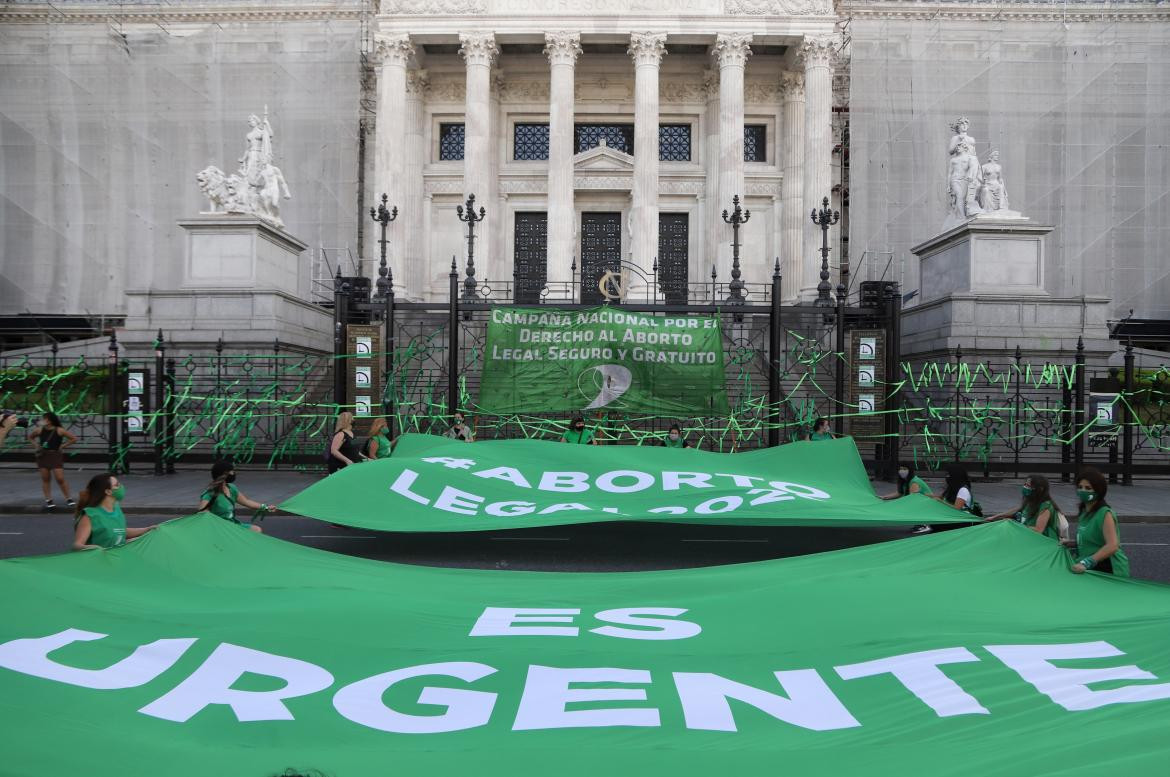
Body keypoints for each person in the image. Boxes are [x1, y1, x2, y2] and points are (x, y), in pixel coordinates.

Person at [1071, 467, 1130, 576]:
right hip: (1092, 566)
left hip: (1108, 568)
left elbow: (1112, 545)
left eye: (1088, 488)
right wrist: (1072, 543)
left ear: (1098, 491)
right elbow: (1094, 540)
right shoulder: (1084, 512)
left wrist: (1086, 562)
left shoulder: (1105, 513)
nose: (1083, 490)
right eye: (1080, 487)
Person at [72, 473, 155, 550]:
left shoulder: (116, 508)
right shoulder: (90, 515)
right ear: (108, 492)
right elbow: (77, 545)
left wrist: (146, 530)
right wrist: (95, 549)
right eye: (117, 485)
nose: (121, 487)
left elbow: (119, 531)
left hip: (116, 561)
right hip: (97, 562)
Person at [197, 461, 274, 533]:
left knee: (256, 530)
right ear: (225, 474)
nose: (234, 473)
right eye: (232, 471)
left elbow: (247, 502)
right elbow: (202, 513)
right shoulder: (210, 494)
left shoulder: (231, 488)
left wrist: (266, 507)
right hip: (220, 529)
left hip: (232, 524)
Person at [989, 474, 1062, 541]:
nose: (1025, 487)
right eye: (1025, 485)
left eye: (1028, 486)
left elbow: (1038, 530)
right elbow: (1018, 509)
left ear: (1040, 489)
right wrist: (995, 517)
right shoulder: (1030, 500)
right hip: (1026, 535)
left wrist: (1015, 524)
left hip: (1040, 541)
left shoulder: (1046, 506)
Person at [28, 411, 76, 510]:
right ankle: (48, 500)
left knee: (60, 478)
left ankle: (69, 498)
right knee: (45, 478)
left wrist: (62, 446)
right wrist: (36, 445)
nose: (41, 421)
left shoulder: (59, 430)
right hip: (43, 455)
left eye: (44, 419)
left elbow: (73, 439)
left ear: (49, 421)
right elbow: (30, 437)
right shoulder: (39, 430)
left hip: (55, 455)